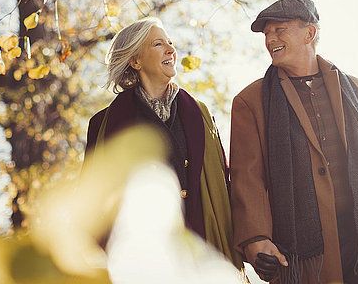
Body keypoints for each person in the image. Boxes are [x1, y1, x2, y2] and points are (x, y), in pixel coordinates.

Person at [229, 0, 358, 284]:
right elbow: (248, 179)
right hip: (307, 254)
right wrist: (255, 237)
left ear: (309, 33)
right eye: (266, 33)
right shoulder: (251, 101)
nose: (270, 38)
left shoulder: (357, 88)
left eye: (279, 30)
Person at [86, 17, 243, 269]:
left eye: (170, 43)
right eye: (158, 44)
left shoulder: (200, 114)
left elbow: (224, 185)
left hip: (201, 256)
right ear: (135, 61)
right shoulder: (103, 125)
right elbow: (93, 202)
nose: (171, 50)